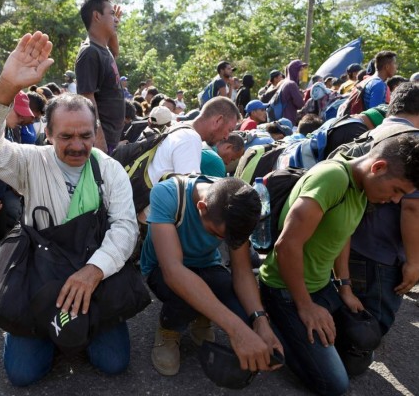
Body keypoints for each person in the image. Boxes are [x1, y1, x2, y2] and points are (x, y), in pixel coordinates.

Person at [0, 31, 138, 387]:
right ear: (48, 133)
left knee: (114, 362)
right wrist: (6, 87)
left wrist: (94, 271)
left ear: (95, 131)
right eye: (66, 137)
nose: (77, 145)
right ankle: (43, 326)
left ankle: (71, 324)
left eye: (85, 136)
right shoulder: (30, 162)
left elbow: (125, 227)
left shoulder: (109, 168)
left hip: (95, 273)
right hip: (40, 272)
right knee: (23, 373)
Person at [258, 130, 419, 395]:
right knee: (334, 384)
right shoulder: (332, 177)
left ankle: (297, 332)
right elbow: (287, 246)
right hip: (285, 288)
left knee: (361, 346)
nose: (396, 200)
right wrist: (305, 306)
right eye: (397, 190)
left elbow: (343, 235)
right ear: (378, 167)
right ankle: (270, 321)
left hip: (321, 286)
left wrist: (344, 287)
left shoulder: (361, 187)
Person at [141, 174, 283, 376]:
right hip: (163, 268)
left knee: (244, 313)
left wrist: (260, 321)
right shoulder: (168, 194)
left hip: (207, 265)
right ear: (201, 207)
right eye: (217, 235)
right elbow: (173, 271)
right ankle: (169, 329)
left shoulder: (237, 202)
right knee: (183, 297)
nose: (222, 240)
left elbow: (242, 272)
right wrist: (236, 330)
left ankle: (202, 314)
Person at [348, 82, 419, 336]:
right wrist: (414, 262)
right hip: (382, 254)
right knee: (370, 329)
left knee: (353, 312)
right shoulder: (413, 143)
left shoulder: (371, 132)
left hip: (351, 242)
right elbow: (412, 209)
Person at [147, 97, 240, 186]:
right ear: (218, 121)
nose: (227, 137)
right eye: (229, 130)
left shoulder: (179, 127)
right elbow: (186, 191)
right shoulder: (190, 139)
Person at [75, 0, 124, 154]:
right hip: (102, 142)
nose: (116, 18)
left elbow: (116, 52)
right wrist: (99, 141)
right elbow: (87, 100)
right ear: (96, 16)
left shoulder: (103, 50)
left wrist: (113, 28)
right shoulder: (90, 53)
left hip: (111, 138)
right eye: (111, 14)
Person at [279, 59, 307, 125]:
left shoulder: (284, 82)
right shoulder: (292, 84)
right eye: (300, 70)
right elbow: (300, 104)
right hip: (288, 122)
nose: (303, 72)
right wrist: (302, 96)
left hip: (282, 120)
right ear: (294, 71)